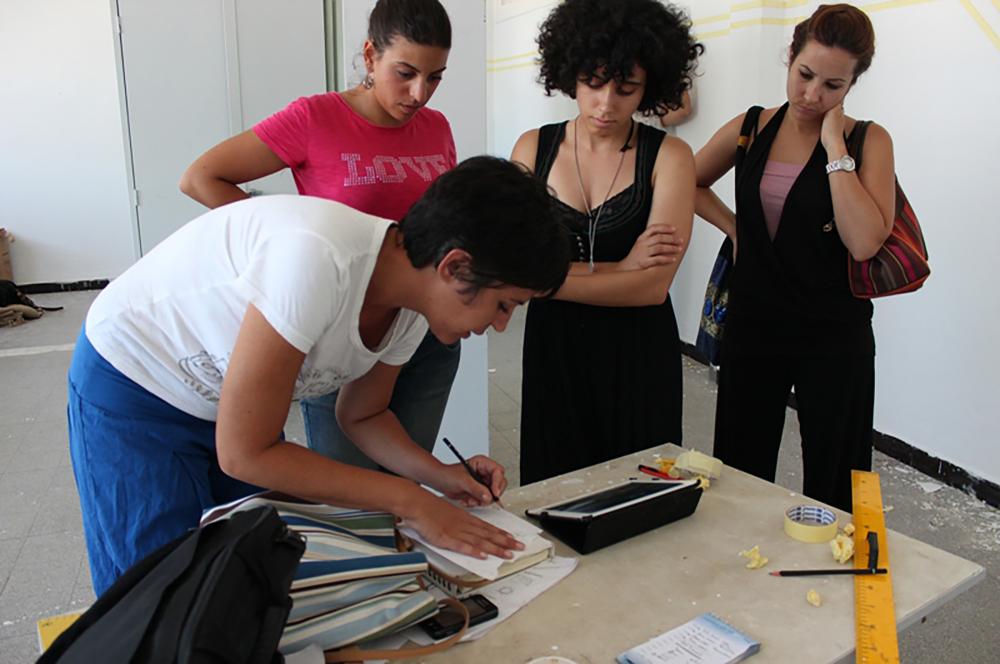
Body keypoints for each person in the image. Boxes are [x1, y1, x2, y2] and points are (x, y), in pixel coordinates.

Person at [68, 157, 572, 595]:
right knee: (156, 587)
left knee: (228, 574)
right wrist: (412, 502)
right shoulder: (316, 261)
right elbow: (246, 452)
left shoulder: (411, 302)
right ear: (454, 266)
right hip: (134, 383)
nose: (500, 325)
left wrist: (440, 478)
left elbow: (364, 414)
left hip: (217, 402)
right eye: (505, 304)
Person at [180, 0, 460, 471]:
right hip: (341, 331)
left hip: (421, 327)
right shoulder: (316, 117)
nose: (419, 93)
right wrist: (279, 249)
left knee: (408, 478)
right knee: (346, 493)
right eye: (405, 73)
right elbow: (202, 177)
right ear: (371, 56)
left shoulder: (436, 127)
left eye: (434, 77)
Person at [693, 4, 895, 511]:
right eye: (804, 75)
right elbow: (687, 181)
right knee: (740, 468)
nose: (811, 95)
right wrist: (735, 226)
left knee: (838, 478)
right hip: (755, 321)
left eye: (833, 85)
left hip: (834, 332)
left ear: (853, 84)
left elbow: (865, 241)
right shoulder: (752, 127)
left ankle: (834, 581)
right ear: (789, 58)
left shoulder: (868, 140)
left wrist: (833, 148)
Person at [511, 0, 702, 484]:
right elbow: (510, 268)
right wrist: (623, 268)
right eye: (593, 83)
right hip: (556, 352)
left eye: (626, 88)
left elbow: (652, 288)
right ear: (570, 73)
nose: (606, 103)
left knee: (641, 495)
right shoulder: (533, 148)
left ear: (651, 84)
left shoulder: (670, 157)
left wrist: (546, 280)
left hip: (638, 353)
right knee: (554, 494)